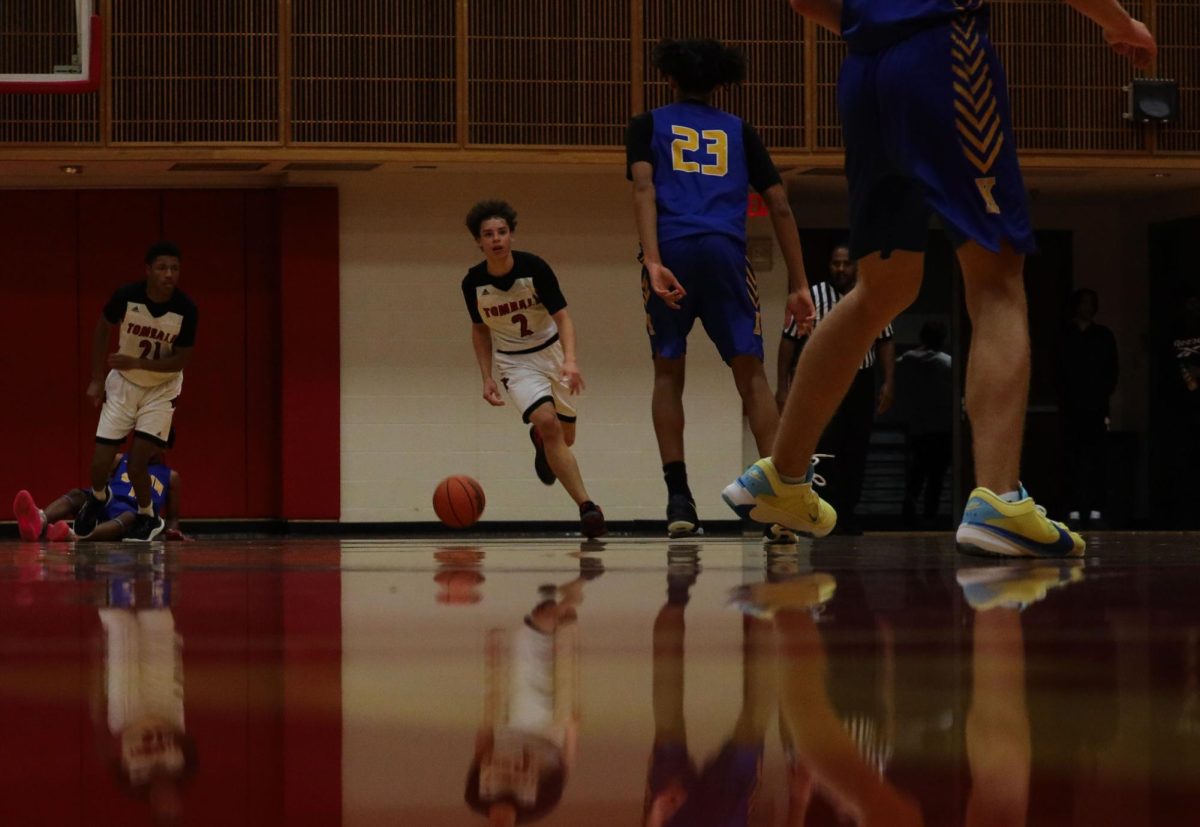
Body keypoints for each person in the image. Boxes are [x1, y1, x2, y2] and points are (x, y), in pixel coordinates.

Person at [724, 0, 1155, 557]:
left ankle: (782, 476)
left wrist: (874, 26)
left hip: (863, 73)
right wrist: (1121, 23)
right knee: (997, 279)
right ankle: (999, 501)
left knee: (881, 290)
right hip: (944, 55)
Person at [627, 38, 816, 539]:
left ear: (669, 77)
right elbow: (779, 205)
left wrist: (652, 261)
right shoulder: (740, 130)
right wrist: (799, 284)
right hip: (725, 252)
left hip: (671, 250)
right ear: (719, 83)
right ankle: (782, 498)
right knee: (751, 375)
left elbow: (644, 189)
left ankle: (679, 499)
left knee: (668, 372)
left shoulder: (647, 124)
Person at [462, 200, 606, 539]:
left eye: (501, 232)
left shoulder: (535, 268)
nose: (496, 239)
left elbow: (563, 317)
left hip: (552, 353)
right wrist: (486, 376)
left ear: (510, 235)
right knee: (548, 423)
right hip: (515, 361)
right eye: (488, 234)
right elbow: (480, 330)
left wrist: (570, 360)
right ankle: (588, 508)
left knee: (564, 439)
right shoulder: (472, 283)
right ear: (479, 242)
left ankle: (542, 442)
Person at [76, 241, 198, 543]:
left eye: (175, 268)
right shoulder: (126, 296)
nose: (169, 274)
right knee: (99, 463)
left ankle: (147, 516)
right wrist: (95, 378)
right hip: (124, 385)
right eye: (162, 267)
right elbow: (103, 328)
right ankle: (99, 496)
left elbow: (180, 359)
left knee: (138, 459)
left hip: (161, 388)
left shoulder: (186, 309)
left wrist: (137, 362)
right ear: (148, 270)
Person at [465, 564, 601, 825]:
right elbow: (565, 768)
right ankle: (569, 598)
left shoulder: (476, 797)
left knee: (532, 634)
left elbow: (481, 752)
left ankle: (562, 600)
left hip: (511, 725)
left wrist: (490, 704)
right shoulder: (539, 805)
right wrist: (571, 729)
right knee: (560, 647)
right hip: (547, 732)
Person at [776, 244, 895, 534]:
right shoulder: (812, 297)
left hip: (861, 380)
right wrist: (783, 386)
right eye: (835, 264)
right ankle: (821, 513)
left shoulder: (871, 295)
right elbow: (788, 341)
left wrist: (889, 380)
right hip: (822, 381)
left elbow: (886, 340)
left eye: (846, 264)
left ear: (856, 266)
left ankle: (847, 513)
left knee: (856, 448)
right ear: (829, 265)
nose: (840, 269)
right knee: (824, 449)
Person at [13, 439, 188, 542]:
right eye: (144, 441)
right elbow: (100, 480)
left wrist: (172, 532)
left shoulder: (171, 476)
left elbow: (172, 517)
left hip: (133, 513)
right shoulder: (122, 459)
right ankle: (40, 520)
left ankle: (74, 536)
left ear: (165, 447)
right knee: (78, 494)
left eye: (154, 442)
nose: (147, 446)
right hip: (108, 503)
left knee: (128, 517)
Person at [1056, 288, 1118, 527]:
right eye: (1083, 302)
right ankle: (1071, 507)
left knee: (1096, 458)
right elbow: (1058, 371)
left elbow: (1112, 370)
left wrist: (1103, 397)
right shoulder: (1065, 335)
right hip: (1071, 406)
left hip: (1096, 405)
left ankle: (1095, 507)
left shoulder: (1103, 335)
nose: (1087, 307)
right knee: (1070, 458)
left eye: (1091, 302)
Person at [896, 320, 954, 527]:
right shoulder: (948, 364)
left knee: (916, 473)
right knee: (936, 476)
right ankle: (931, 515)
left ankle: (908, 513)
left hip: (918, 426)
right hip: (943, 427)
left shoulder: (906, 361)